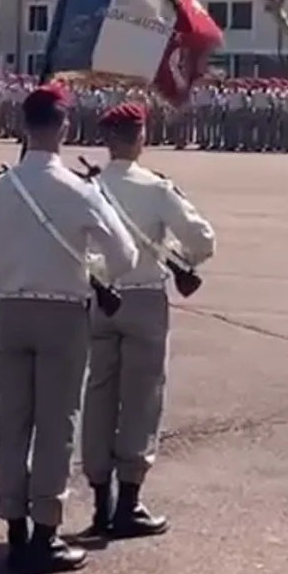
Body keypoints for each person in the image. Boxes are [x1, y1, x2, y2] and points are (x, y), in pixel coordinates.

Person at [0, 83, 137, 574]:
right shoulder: (77, 189)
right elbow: (125, 256)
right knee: (55, 424)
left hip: (9, 309)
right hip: (62, 311)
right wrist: (89, 267)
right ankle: (45, 529)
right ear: (64, 127)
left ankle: (15, 526)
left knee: (13, 423)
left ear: (23, 125)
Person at [79, 100, 216, 538]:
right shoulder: (156, 187)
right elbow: (202, 238)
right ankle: (130, 502)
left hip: (99, 296)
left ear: (106, 140)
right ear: (140, 138)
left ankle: (101, 500)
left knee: (99, 394)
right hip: (142, 299)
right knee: (140, 398)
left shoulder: (87, 186)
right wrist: (184, 258)